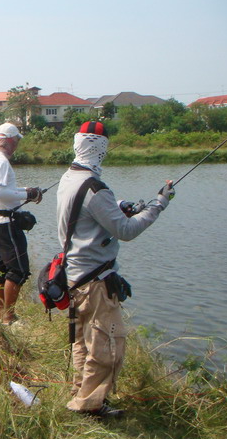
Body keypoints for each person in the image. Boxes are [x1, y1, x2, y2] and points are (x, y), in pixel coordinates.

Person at [57, 121, 174, 419]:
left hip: (74, 275)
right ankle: (90, 406)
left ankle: (80, 395)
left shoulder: (69, 177)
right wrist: (158, 205)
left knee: (83, 340)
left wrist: (121, 204)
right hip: (96, 280)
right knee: (107, 345)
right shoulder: (95, 188)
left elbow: (85, 209)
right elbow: (126, 230)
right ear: (102, 148)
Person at [0, 123, 43, 325]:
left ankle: (0, 314)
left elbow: (3, 189)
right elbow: (0, 193)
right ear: (9, 140)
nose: (17, 144)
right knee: (18, 269)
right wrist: (29, 194)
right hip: (5, 221)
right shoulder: (1, 161)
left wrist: (26, 190)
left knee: (0, 268)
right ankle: (9, 316)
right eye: (16, 140)